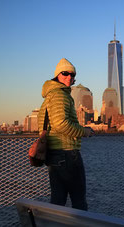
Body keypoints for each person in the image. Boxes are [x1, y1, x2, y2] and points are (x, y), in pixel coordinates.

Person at [37, 58, 94, 210]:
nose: (69, 77)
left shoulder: (50, 95)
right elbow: (60, 123)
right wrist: (85, 132)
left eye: (72, 75)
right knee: (78, 201)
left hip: (54, 154)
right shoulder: (60, 95)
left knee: (58, 200)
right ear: (57, 75)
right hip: (67, 154)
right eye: (65, 73)